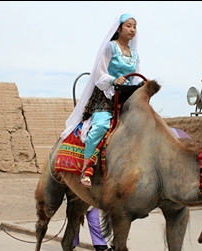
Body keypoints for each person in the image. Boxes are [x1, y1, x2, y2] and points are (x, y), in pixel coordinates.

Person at [60, 13, 144, 188]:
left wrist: (142, 83)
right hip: (105, 96)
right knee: (101, 127)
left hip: (125, 97)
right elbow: (100, 73)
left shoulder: (135, 55)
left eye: (134, 26)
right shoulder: (110, 48)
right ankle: (86, 169)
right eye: (128, 25)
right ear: (119, 28)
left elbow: (135, 78)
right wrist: (113, 80)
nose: (132, 29)